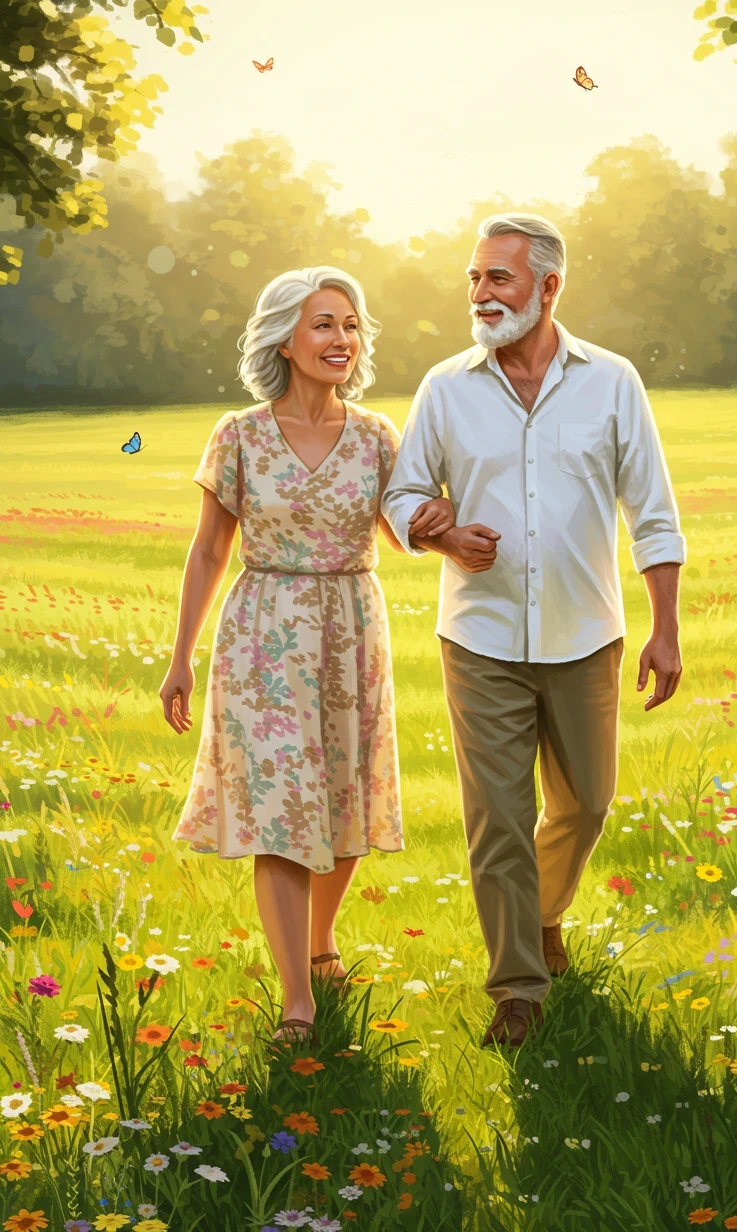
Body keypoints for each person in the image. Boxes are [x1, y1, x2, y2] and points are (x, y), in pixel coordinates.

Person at [381, 213, 686, 1050]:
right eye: (475, 279)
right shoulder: (446, 387)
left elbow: (651, 511)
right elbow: (401, 496)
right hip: (478, 640)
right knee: (499, 821)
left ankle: (545, 912)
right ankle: (518, 987)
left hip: (587, 633)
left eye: (499, 279)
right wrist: (437, 532)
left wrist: (665, 628)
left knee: (586, 804)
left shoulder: (612, 381)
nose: (481, 294)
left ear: (549, 287)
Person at [160, 266, 454, 1045]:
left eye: (351, 325)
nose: (342, 339)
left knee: (343, 803)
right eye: (324, 324)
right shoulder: (239, 434)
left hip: (353, 629)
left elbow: (404, 536)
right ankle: (298, 1000)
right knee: (282, 812)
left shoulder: (377, 436)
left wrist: (444, 516)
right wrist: (180, 655)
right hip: (263, 634)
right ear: (285, 340)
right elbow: (207, 551)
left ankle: (323, 943)